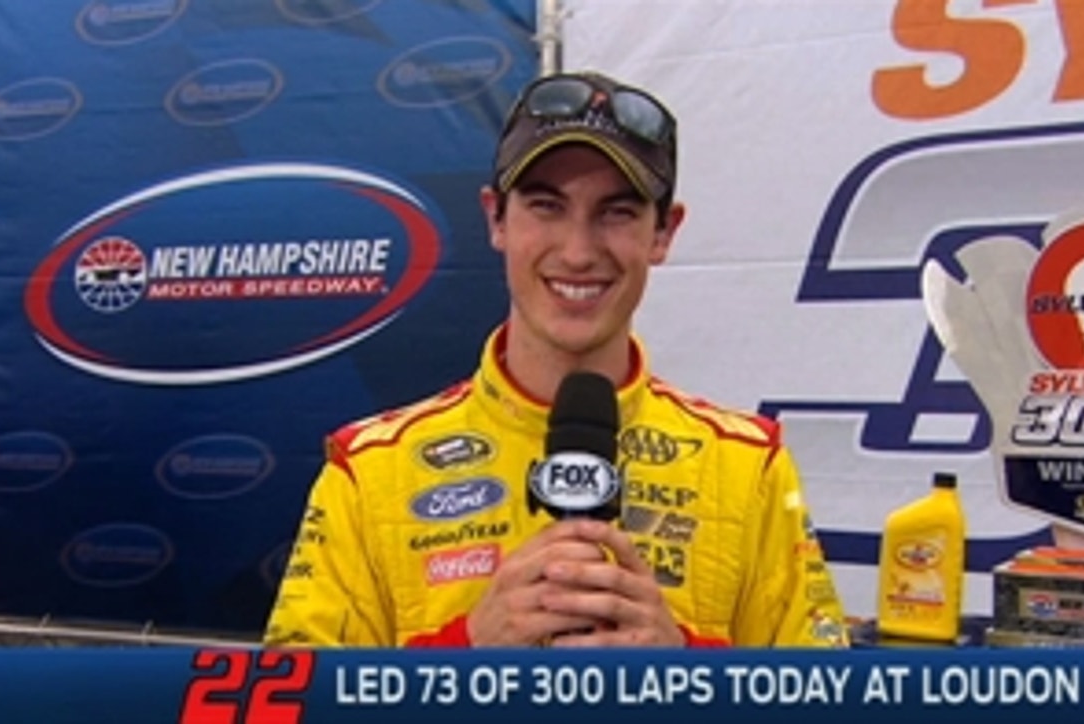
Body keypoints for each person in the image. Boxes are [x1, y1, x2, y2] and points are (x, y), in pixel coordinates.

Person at [264, 70, 849, 648]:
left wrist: (688, 675)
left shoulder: (749, 467)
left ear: (663, 233)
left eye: (616, 212)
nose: (577, 252)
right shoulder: (369, 471)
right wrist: (462, 657)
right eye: (547, 207)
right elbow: (289, 705)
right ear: (495, 217)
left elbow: (825, 702)